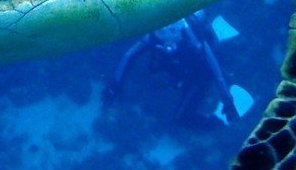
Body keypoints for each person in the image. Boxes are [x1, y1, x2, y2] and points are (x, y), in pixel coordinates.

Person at [103, 11, 249, 128]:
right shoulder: (155, 36)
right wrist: (115, 85)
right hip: (181, 70)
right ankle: (217, 36)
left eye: (171, 33)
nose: (166, 41)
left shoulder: (193, 42)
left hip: (199, 74)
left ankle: (218, 120)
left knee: (182, 118)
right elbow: (129, 55)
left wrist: (227, 101)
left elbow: (214, 70)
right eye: (162, 32)